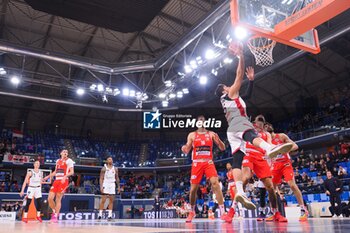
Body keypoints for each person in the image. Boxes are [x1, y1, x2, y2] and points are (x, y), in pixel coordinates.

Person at [215, 42, 293, 210]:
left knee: (237, 161)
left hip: (231, 130)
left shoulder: (229, 100)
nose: (230, 87)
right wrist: (240, 55)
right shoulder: (229, 94)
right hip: (238, 122)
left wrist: (251, 81)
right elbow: (238, 75)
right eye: (226, 87)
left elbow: (247, 95)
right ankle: (268, 148)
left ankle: (240, 191)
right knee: (251, 133)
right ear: (224, 91)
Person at [227, 116, 287, 223]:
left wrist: (279, 147)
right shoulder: (249, 130)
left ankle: (276, 213)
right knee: (245, 179)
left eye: (261, 123)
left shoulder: (267, 134)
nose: (258, 125)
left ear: (263, 125)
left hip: (261, 158)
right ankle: (231, 211)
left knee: (270, 187)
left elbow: (269, 144)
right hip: (248, 155)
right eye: (257, 123)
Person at [181, 115, 227, 223]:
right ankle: (192, 211)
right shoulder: (192, 134)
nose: (201, 122)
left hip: (208, 162)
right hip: (197, 163)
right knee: (193, 190)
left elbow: (223, 148)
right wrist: (184, 148)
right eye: (199, 121)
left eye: (203, 121)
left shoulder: (211, 134)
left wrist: (219, 140)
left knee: (215, 184)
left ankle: (223, 212)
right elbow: (187, 149)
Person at [265, 122, 308, 221]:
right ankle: (274, 211)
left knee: (292, 185)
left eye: (268, 125)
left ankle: (303, 209)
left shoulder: (281, 136)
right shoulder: (266, 142)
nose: (267, 126)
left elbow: (295, 146)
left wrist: (284, 150)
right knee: (271, 189)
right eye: (265, 126)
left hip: (285, 164)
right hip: (275, 166)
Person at [44, 149, 74, 223]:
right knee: (50, 198)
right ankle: (55, 212)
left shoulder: (69, 161)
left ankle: (55, 216)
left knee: (58, 199)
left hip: (64, 181)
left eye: (67, 152)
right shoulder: (57, 161)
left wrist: (65, 176)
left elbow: (72, 172)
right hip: (56, 180)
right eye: (64, 152)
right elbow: (55, 172)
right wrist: (47, 177)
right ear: (60, 153)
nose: (65, 153)